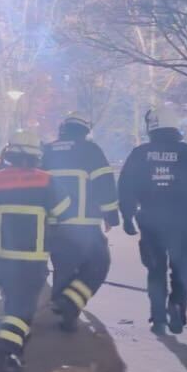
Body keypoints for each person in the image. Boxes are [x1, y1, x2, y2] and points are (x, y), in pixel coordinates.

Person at [0, 130, 72, 372]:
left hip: (2, 260)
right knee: (21, 308)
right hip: (33, 262)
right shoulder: (47, 181)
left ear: (9, 153)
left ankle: (13, 343)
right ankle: (7, 350)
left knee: (16, 304)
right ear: (37, 156)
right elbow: (66, 215)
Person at [117, 104, 187, 336]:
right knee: (182, 267)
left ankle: (158, 319)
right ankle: (178, 304)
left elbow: (125, 187)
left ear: (152, 127)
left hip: (150, 220)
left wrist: (128, 216)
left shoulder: (140, 154)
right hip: (181, 221)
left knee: (155, 270)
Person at [42, 112, 120, 332]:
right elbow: (105, 182)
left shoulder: (46, 151)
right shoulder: (90, 150)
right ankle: (70, 303)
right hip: (84, 224)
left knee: (63, 268)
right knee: (98, 264)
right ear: (85, 130)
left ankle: (64, 309)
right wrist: (111, 215)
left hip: (54, 224)